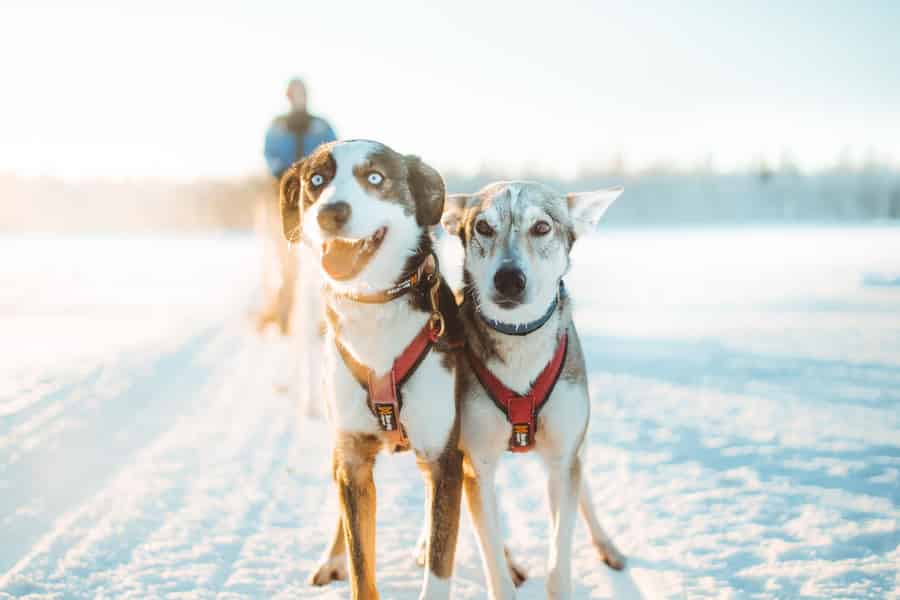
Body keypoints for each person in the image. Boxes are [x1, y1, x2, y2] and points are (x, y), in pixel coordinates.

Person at [256, 78, 336, 335]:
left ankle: (329, 319)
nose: (297, 98)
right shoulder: (277, 126)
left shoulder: (320, 126)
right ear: (288, 97)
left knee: (325, 260)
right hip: (284, 201)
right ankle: (283, 316)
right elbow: (270, 155)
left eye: (301, 93)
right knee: (286, 261)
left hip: (318, 200)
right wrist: (286, 175)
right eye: (294, 94)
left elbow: (335, 151)